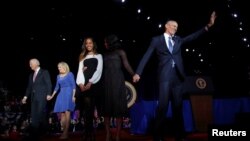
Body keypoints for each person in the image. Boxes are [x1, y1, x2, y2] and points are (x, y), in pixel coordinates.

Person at [133, 11, 217, 141]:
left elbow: (192, 37)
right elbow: (147, 55)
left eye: (177, 27)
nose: (175, 28)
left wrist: (208, 26)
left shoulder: (178, 40)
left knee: (178, 107)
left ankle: (180, 135)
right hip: (164, 77)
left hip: (178, 77)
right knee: (163, 106)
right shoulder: (157, 40)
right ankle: (158, 135)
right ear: (167, 26)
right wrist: (138, 72)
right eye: (173, 26)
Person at [103, 34, 135, 141]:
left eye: (106, 42)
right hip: (106, 81)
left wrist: (133, 74)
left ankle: (117, 135)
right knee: (106, 109)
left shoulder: (121, 52)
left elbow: (126, 65)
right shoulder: (104, 54)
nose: (105, 44)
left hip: (117, 81)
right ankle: (108, 134)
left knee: (118, 109)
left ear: (110, 42)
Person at [76, 37, 103, 141]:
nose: (88, 45)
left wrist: (91, 81)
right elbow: (79, 71)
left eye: (90, 43)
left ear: (93, 44)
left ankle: (91, 132)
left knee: (92, 108)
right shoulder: (82, 56)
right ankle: (87, 132)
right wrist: (81, 83)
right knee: (86, 109)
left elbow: (99, 70)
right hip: (84, 84)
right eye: (86, 43)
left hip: (94, 83)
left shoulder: (99, 56)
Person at [21, 58, 52, 139]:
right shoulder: (31, 75)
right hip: (33, 98)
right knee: (34, 115)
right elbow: (29, 87)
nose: (29, 65)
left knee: (40, 113)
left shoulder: (44, 72)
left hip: (42, 97)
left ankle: (44, 131)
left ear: (36, 63)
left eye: (31, 63)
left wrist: (49, 94)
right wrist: (25, 97)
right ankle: (35, 134)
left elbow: (49, 84)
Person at [47, 61, 76, 139]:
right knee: (62, 113)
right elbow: (56, 87)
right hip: (61, 94)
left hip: (69, 93)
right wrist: (52, 96)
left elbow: (74, 86)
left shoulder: (70, 74)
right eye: (58, 67)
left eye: (60, 67)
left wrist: (73, 96)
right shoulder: (58, 76)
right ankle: (64, 131)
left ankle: (66, 132)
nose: (58, 68)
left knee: (67, 112)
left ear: (64, 67)